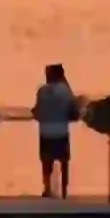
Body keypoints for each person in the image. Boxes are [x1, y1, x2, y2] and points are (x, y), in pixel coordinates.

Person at [34, 63, 78, 199]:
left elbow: (37, 111)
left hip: (45, 130)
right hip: (61, 130)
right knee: (64, 161)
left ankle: (47, 188)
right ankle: (64, 190)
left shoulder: (41, 91)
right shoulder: (65, 91)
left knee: (47, 161)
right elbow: (73, 109)